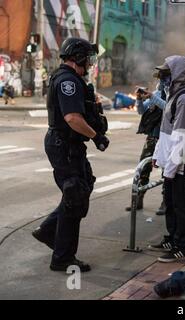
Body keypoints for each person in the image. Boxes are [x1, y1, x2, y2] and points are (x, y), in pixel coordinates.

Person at [31, 37, 109, 272]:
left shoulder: (72, 79)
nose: (90, 63)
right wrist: (96, 136)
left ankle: (48, 230)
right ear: (77, 57)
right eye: (88, 58)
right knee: (75, 196)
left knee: (83, 187)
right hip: (63, 145)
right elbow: (72, 118)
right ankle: (62, 258)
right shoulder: (68, 81)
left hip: (70, 145)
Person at [149, 56, 185, 263]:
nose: (164, 78)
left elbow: (182, 138)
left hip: (180, 166)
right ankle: (171, 238)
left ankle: (181, 246)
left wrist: (170, 169)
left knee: (181, 205)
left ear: (178, 74)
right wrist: (157, 156)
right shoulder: (172, 97)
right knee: (170, 203)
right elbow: (165, 131)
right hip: (170, 164)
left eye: (167, 74)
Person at [125, 66, 168, 214]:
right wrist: (139, 99)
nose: (161, 81)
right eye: (160, 78)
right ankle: (138, 200)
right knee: (143, 168)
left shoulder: (173, 94)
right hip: (153, 137)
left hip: (167, 139)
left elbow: (168, 107)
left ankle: (165, 202)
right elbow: (141, 111)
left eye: (163, 77)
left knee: (166, 172)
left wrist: (152, 97)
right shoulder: (155, 93)